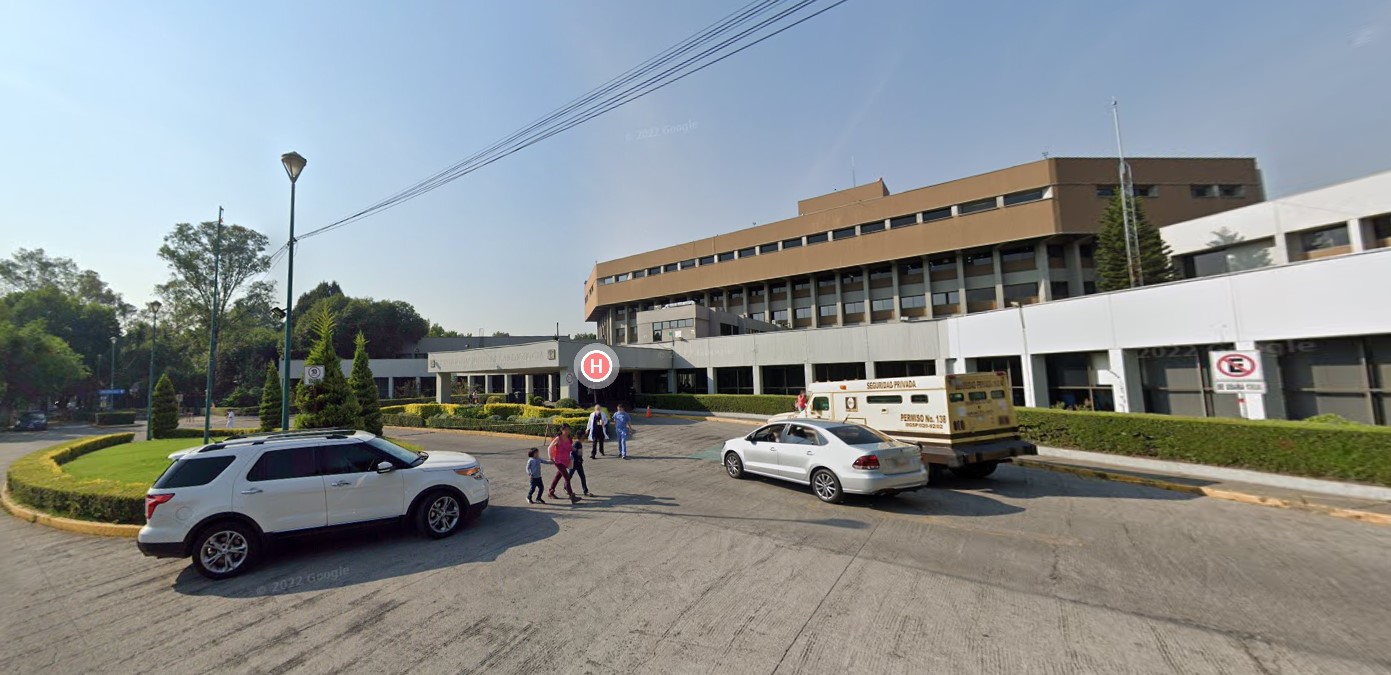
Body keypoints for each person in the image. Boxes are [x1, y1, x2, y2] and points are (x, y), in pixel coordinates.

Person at [547, 425, 581, 503]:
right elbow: (549, 447)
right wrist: (550, 457)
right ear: (562, 430)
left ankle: (551, 492)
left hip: (566, 461)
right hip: (558, 461)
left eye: (568, 429)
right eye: (565, 430)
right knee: (567, 477)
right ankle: (571, 496)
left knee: (557, 476)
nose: (567, 431)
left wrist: (575, 450)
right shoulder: (558, 438)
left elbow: (570, 447)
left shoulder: (569, 439)